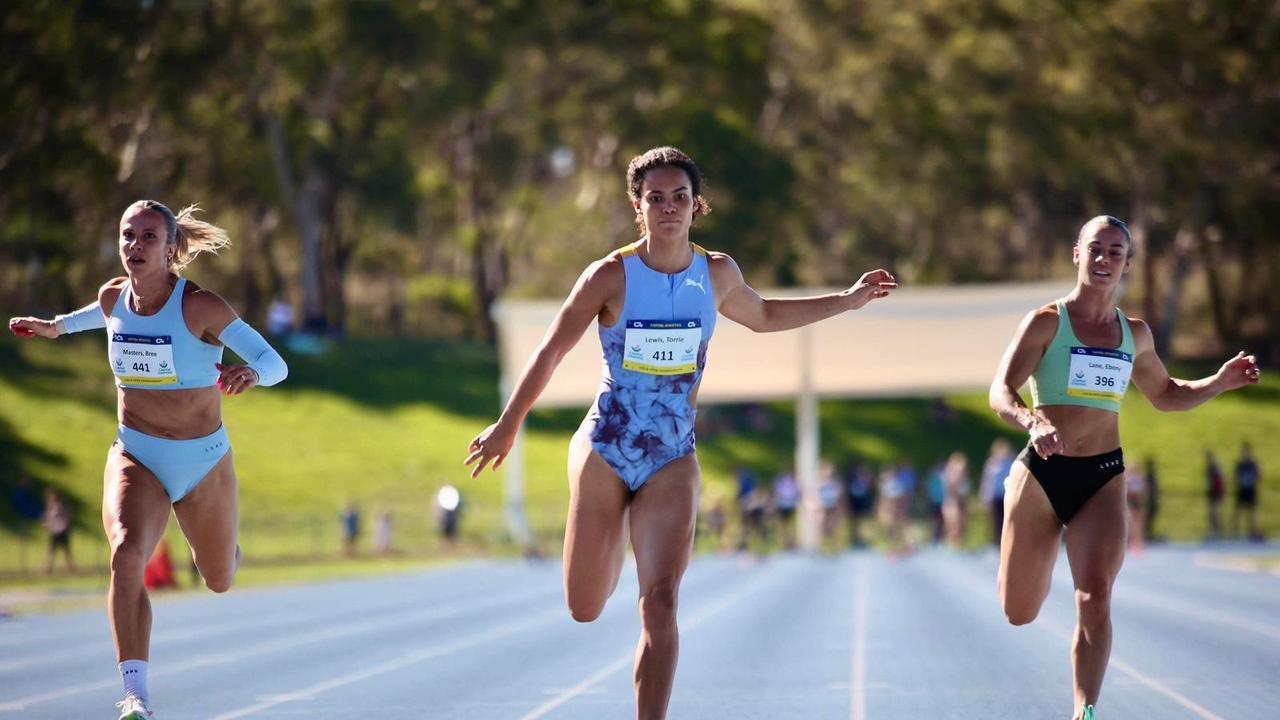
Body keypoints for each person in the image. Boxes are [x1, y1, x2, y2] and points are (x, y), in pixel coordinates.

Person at [464, 146, 896, 720]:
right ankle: (614, 525)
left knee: (661, 602)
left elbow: (763, 315)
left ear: (698, 206)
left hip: (672, 454)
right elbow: (550, 351)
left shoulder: (716, 273)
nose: (669, 208)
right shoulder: (609, 276)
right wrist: (507, 425)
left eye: (680, 198)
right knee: (585, 607)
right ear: (637, 208)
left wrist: (846, 301)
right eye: (656, 199)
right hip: (606, 447)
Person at [8, 200, 287, 720]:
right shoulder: (113, 294)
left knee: (219, 577)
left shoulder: (200, 306)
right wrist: (55, 328)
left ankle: (228, 552)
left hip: (203, 461)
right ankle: (135, 694)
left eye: (148, 237)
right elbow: (102, 315)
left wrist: (251, 374)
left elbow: (275, 362)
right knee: (126, 554)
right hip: (137, 453)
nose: (135, 246)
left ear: (171, 248)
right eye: (127, 236)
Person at [989, 215, 1260, 720]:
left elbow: (1166, 394)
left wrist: (1218, 382)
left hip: (1103, 477)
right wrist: (1030, 421)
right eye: (1095, 248)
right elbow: (999, 391)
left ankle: (1085, 711)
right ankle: (1028, 533)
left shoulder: (1134, 334)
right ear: (1077, 254)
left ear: (1127, 265)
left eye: (1115, 252)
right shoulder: (1047, 322)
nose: (1104, 259)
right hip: (1044, 473)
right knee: (1018, 612)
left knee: (1095, 596)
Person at [978, 438, 1014, 547]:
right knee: (996, 521)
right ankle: (996, 542)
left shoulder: (1011, 462)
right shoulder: (991, 464)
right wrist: (985, 497)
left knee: (1008, 521)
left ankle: (1008, 543)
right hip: (995, 497)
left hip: (1007, 496)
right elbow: (987, 482)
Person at [42, 487, 75, 575]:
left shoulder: (61, 506)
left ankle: (70, 569)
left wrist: (66, 525)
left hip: (62, 531)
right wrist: (48, 525)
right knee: (52, 552)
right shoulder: (50, 507)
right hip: (54, 532)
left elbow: (68, 515)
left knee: (66, 552)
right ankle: (48, 569)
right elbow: (47, 518)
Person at [940, 451, 970, 549]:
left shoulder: (965, 479)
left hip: (961, 502)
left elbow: (965, 494)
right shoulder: (949, 476)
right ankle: (951, 543)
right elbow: (951, 491)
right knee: (953, 524)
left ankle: (958, 544)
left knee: (962, 524)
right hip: (952, 502)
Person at [1231, 442, 1261, 540]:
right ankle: (1235, 533)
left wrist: (1253, 480)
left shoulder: (1253, 464)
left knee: (1252, 512)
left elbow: (1258, 476)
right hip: (1242, 489)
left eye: (1248, 451)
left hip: (1250, 489)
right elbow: (1236, 476)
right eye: (1245, 451)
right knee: (1238, 511)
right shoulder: (1240, 464)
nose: (1246, 453)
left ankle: (1251, 532)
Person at [1205, 450, 1225, 539]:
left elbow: (1218, 482)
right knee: (1212, 514)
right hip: (1212, 493)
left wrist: (1220, 493)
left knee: (1215, 513)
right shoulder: (1210, 468)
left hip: (1216, 493)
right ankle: (1215, 531)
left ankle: (1218, 532)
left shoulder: (1215, 468)